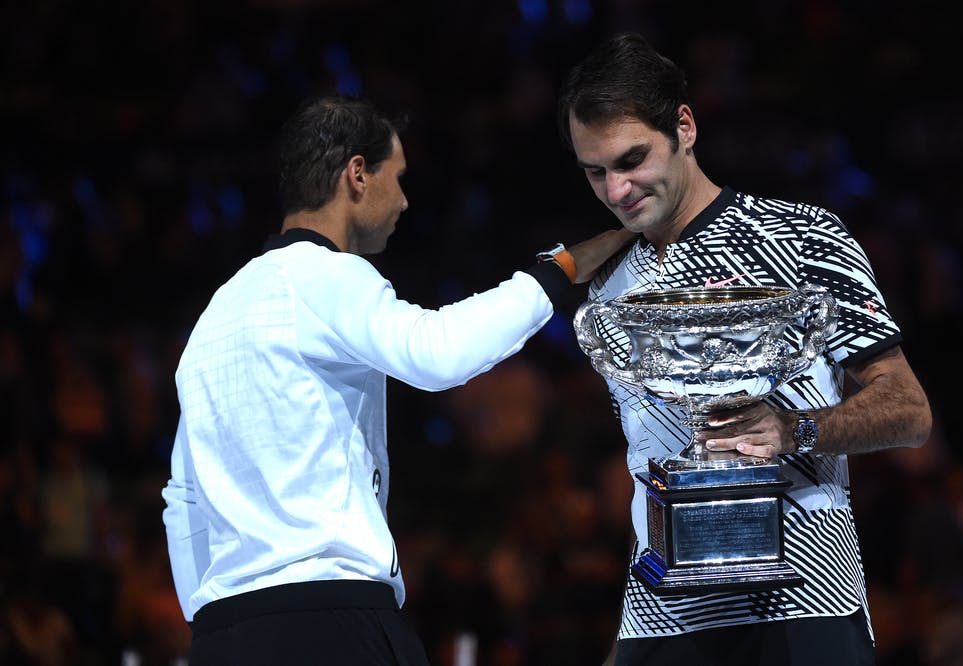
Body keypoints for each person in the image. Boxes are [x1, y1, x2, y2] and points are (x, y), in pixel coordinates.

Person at [161, 93, 633, 666]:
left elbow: (182, 497)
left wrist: (215, 619)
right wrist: (558, 272)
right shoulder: (325, 275)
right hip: (330, 621)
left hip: (221, 634)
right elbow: (437, 351)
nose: (405, 201)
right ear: (357, 174)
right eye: (398, 177)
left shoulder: (214, 316)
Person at [557, 32, 932, 666]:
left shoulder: (803, 239)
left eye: (632, 161)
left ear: (685, 127)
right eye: (596, 172)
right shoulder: (605, 282)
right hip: (661, 609)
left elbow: (910, 410)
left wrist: (794, 430)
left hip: (807, 596)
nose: (616, 191)